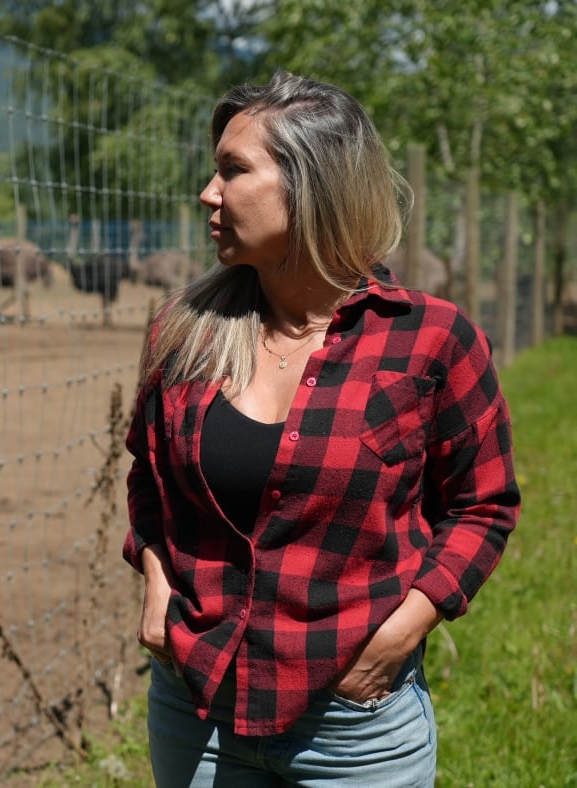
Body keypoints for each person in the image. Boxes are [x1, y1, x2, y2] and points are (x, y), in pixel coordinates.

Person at [123, 70, 520, 786]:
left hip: (352, 727)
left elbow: (483, 505)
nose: (208, 195)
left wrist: (402, 632)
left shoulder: (431, 341)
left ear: (312, 186)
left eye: (233, 171)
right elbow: (148, 483)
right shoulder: (184, 332)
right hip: (195, 706)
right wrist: (156, 589)